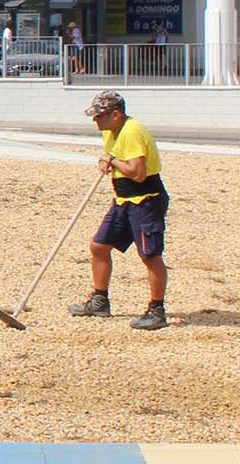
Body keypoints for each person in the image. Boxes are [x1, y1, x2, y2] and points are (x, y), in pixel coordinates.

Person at [69, 89, 168, 330]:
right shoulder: (111, 131)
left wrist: (111, 161)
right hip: (123, 200)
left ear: (116, 114)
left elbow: (138, 172)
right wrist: (107, 159)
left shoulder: (132, 131)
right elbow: (113, 155)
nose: (95, 121)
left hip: (145, 200)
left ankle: (157, 311)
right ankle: (100, 301)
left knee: (149, 255)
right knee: (99, 246)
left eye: (99, 116)